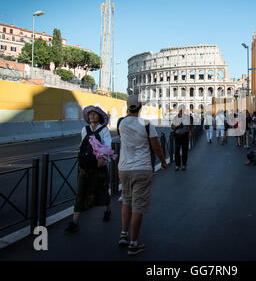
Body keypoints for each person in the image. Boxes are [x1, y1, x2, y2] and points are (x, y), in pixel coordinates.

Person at [118, 94, 168, 256]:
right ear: (140, 107)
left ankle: (124, 234)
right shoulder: (146, 124)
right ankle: (133, 244)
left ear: (127, 106)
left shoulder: (121, 123)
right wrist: (164, 161)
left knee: (126, 201)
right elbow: (156, 147)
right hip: (142, 168)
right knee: (138, 206)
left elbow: (125, 140)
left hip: (124, 168)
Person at [65, 106, 113, 233]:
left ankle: (107, 210)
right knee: (80, 192)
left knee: (102, 189)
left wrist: (103, 159)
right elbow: (82, 145)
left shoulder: (104, 131)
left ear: (100, 117)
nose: (92, 116)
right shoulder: (84, 129)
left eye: (95, 114)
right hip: (85, 166)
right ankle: (75, 221)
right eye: (90, 114)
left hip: (98, 165)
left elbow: (108, 145)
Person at [171, 105, 192, 171]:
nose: (181, 111)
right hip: (177, 136)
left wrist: (190, 132)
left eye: (182, 109)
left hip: (185, 136)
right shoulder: (175, 118)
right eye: (180, 109)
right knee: (177, 151)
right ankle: (177, 165)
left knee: (184, 151)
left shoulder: (187, 117)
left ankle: (184, 165)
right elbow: (172, 127)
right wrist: (176, 126)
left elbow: (189, 126)